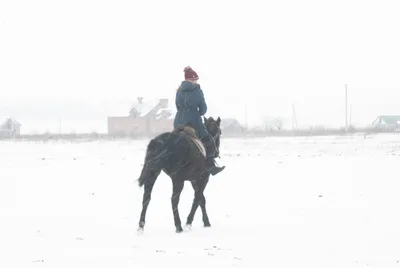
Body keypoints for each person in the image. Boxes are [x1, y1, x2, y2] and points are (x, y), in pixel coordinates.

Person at [173, 66, 225, 176]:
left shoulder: (178, 91)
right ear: (192, 80)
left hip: (178, 122)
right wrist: (194, 112)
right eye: (196, 80)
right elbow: (203, 110)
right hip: (193, 122)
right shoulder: (197, 91)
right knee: (209, 141)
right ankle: (211, 166)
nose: (197, 82)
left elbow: (177, 107)